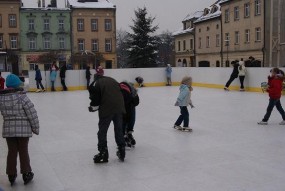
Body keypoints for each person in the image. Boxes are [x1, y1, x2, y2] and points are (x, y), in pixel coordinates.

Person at [0, 74, 39, 186]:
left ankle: (11, 174)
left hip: (9, 132)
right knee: (23, 151)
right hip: (23, 131)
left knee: (11, 152)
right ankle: (26, 173)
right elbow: (32, 113)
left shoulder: (1, 98)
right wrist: (35, 128)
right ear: (17, 85)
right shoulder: (22, 97)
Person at [88, 74, 126, 163]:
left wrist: (92, 107)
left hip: (107, 110)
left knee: (102, 131)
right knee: (119, 129)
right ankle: (122, 150)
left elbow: (95, 99)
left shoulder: (96, 83)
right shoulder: (113, 79)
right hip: (119, 108)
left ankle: (103, 153)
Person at [120, 81, 140, 147]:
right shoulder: (119, 92)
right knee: (123, 118)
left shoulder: (133, 93)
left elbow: (136, 102)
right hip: (120, 104)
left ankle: (129, 132)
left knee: (131, 117)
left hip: (130, 103)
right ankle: (123, 134)